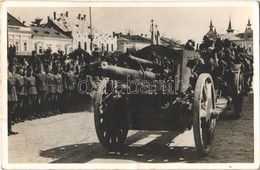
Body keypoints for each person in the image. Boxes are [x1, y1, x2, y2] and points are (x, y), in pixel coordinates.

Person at [8, 63, 18, 135]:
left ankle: (9, 129)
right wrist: (14, 82)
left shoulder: (12, 74)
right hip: (9, 95)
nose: (13, 69)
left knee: (11, 113)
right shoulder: (6, 73)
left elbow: (15, 82)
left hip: (13, 94)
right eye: (12, 68)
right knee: (7, 113)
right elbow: (11, 82)